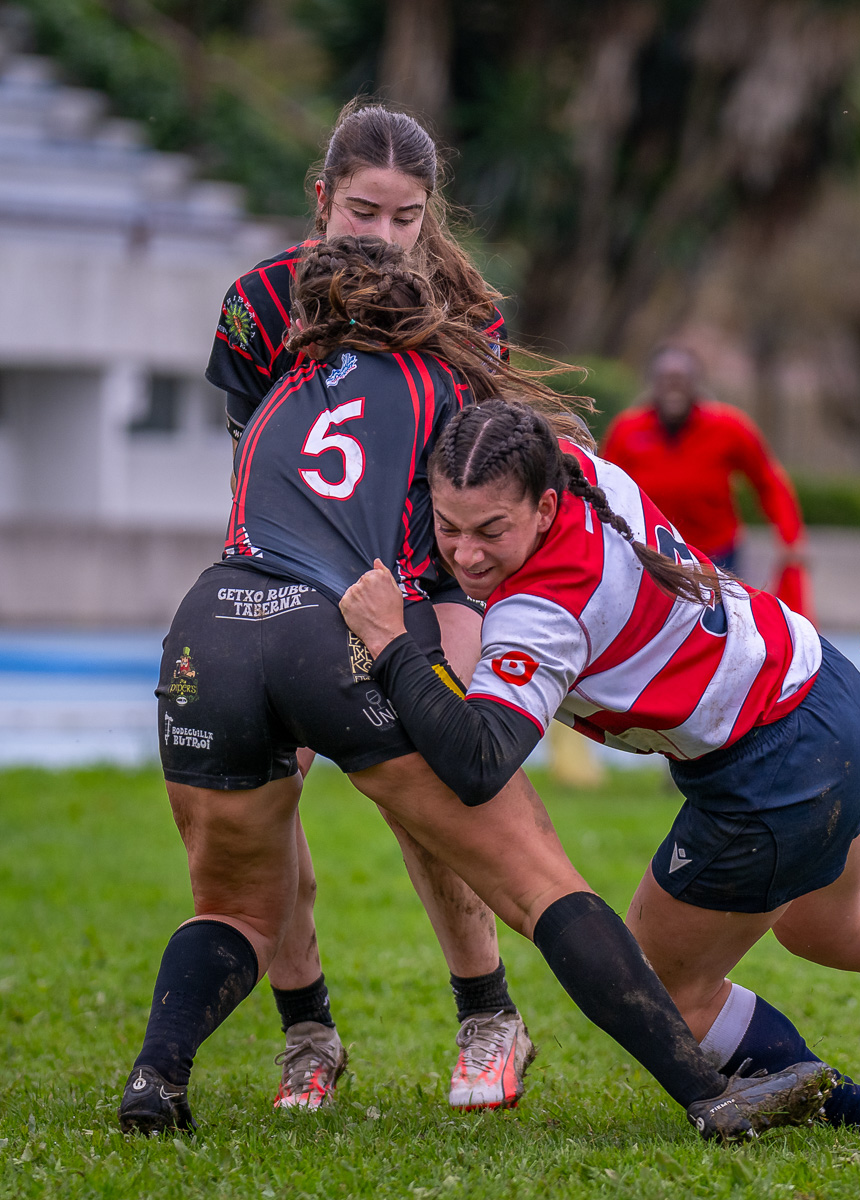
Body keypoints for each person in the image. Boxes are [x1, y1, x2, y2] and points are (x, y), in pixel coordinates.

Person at [122, 237, 827, 1142]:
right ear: (416, 310)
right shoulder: (440, 383)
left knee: (235, 910)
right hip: (329, 630)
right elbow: (475, 507)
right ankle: (709, 1096)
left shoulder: (277, 396)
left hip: (211, 626)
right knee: (538, 885)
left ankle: (157, 1077)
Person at [334, 400, 860, 1131]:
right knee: (831, 925)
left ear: (544, 508)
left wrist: (391, 643)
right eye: (448, 526)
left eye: (490, 530)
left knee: (657, 987)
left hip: (775, 766)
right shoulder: (575, 464)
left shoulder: (541, 613)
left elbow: (479, 764)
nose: (466, 553)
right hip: (825, 690)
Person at [203, 102, 529, 1113]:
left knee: (435, 786)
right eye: (362, 211)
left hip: (423, 577)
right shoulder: (259, 305)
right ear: (322, 198)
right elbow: (256, 464)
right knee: (259, 801)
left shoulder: (471, 314)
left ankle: (488, 1016)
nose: (383, 235)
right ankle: (307, 1034)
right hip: (293, 579)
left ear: (430, 214)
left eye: (405, 216)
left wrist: (458, 597)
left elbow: (475, 474)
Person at [601, 347, 807, 593]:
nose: (673, 387)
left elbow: (768, 482)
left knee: (720, 616)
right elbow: (604, 488)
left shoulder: (729, 428)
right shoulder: (626, 430)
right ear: (653, 383)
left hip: (716, 554)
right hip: (649, 553)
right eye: (666, 379)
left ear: (695, 383)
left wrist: (790, 537)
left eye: (681, 379)